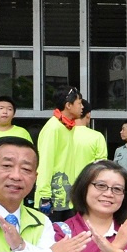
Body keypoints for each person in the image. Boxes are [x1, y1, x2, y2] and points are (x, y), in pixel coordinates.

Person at [36, 86, 84, 221]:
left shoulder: (68, 127)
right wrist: (45, 196)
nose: (82, 107)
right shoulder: (53, 128)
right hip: (52, 201)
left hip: (66, 198)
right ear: (68, 105)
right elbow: (45, 162)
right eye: (79, 103)